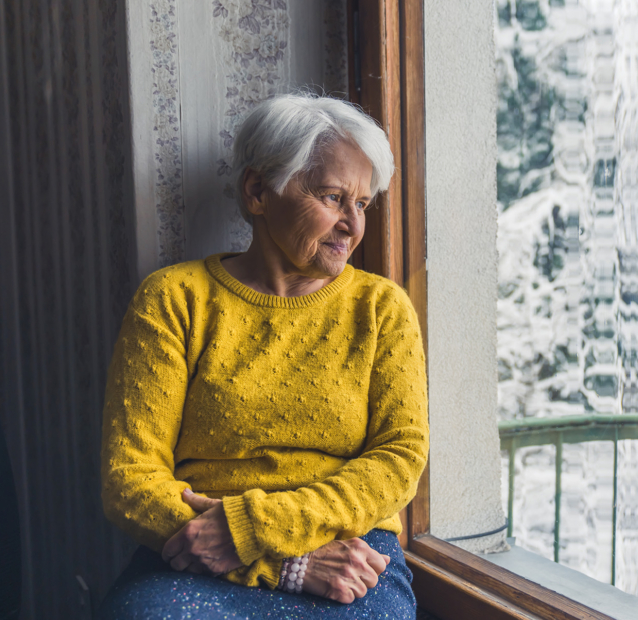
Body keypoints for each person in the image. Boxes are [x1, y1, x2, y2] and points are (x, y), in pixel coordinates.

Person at [98, 93, 429, 619]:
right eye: (333, 197)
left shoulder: (381, 308)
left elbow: (399, 459)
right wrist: (279, 563)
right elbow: (130, 477)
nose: (353, 226)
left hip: (349, 553)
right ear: (258, 191)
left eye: (363, 203)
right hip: (197, 545)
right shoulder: (174, 299)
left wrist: (256, 529)